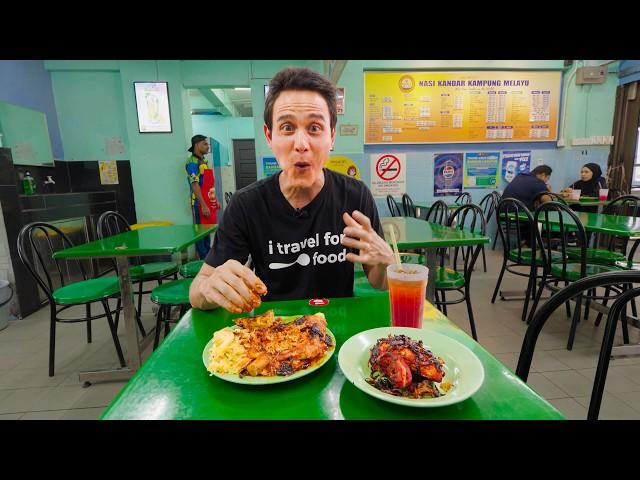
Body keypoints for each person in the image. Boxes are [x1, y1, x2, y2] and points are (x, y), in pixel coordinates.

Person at [189, 67, 394, 313]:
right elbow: (196, 292)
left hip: (338, 329)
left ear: (331, 136)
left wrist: (386, 263)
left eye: (315, 128)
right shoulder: (247, 205)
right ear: (269, 136)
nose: (301, 144)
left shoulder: (355, 196)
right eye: (287, 127)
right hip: (273, 335)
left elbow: (379, 281)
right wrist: (210, 287)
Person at [185, 134, 219, 259]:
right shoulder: (192, 163)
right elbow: (194, 185)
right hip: (199, 204)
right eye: (205, 144)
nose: (207, 146)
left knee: (208, 231)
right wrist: (203, 205)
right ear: (197, 144)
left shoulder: (205, 161)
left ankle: (209, 255)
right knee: (201, 232)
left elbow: (210, 184)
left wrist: (216, 200)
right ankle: (203, 259)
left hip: (209, 201)